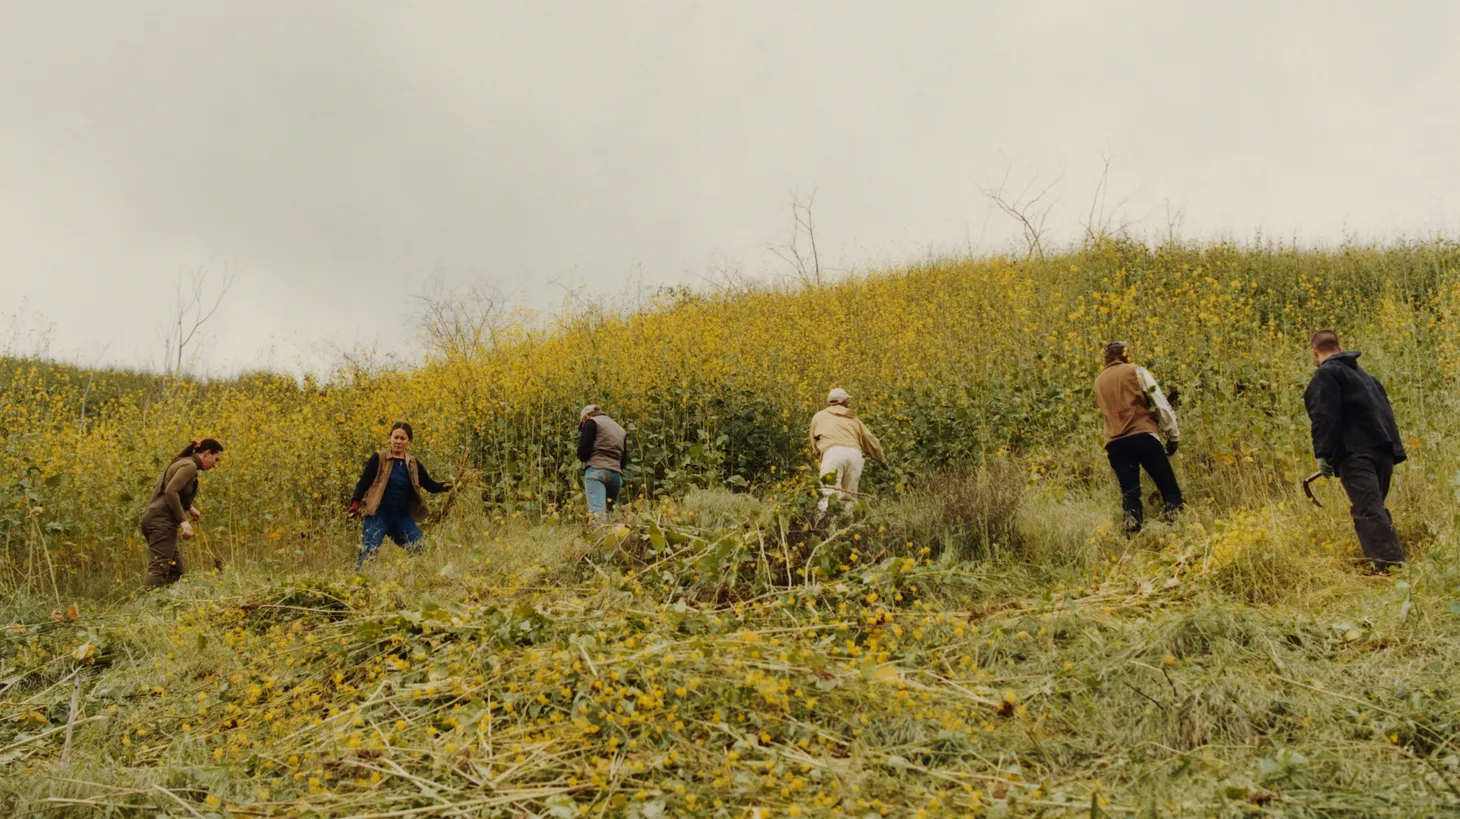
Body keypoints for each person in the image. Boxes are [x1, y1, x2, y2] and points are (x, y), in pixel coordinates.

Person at [1303, 330, 1406, 572]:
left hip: (1356, 455)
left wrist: (1323, 453)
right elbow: (1385, 413)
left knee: (1368, 511)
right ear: (1339, 348)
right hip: (1383, 453)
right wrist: (1392, 449)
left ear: (1315, 353)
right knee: (1374, 508)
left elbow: (1324, 416)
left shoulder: (1327, 374)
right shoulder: (1366, 377)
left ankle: (1390, 569)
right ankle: (1391, 566)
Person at [1093, 341, 1183, 533]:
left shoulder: (1098, 381)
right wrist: (1172, 435)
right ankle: (1175, 531)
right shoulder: (1137, 371)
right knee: (1169, 489)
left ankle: (1132, 540)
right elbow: (1160, 403)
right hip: (1143, 436)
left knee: (1130, 495)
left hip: (1114, 443)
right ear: (1126, 355)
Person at [348, 422, 451, 570]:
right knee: (369, 551)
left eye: (403, 438)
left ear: (409, 442)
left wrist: (452, 486)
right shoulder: (379, 458)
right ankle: (361, 586)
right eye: (395, 437)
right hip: (377, 514)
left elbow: (430, 485)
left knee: (418, 547)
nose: (398, 441)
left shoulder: (413, 464)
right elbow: (363, 482)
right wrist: (355, 503)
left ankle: (410, 579)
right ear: (390, 438)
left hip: (400, 516)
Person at [139, 438, 224, 589]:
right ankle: (142, 607)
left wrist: (190, 508)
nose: (215, 465)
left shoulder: (184, 462)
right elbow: (170, 491)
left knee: (175, 570)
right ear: (207, 453)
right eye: (216, 459)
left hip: (155, 518)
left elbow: (174, 489)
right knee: (159, 568)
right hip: (160, 521)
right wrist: (183, 521)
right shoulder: (189, 466)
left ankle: (162, 604)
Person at [809, 388, 885, 513]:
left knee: (829, 495)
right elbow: (870, 440)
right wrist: (881, 459)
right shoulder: (854, 419)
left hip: (832, 454)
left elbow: (814, 441)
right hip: (855, 455)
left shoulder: (819, 416)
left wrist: (820, 455)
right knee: (849, 498)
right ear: (844, 403)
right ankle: (847, 528)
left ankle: (827, 528)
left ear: (829, 403)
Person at [577, 404, 627, 523]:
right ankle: (617, 540)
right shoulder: (620, 429)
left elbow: (583, 452)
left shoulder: (591, 422)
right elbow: (624, 460)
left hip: (596, 472)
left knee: (598, 513)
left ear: (585, 417)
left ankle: (600, 540)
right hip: (615, 475)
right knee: (612, 516)